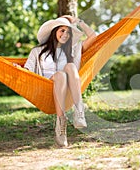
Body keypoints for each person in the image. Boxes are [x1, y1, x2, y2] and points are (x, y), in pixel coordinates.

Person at [21, 15, 96, 147]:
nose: (65, 34)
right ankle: (61, 122)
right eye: (62, 30)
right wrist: (16, 69)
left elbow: (93, 37)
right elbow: (27, 70)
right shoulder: (37, 51)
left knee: (71, 66)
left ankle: (79, 111)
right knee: (60, 75)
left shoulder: (73, 51)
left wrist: (78, 21)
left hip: (69, 88)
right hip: (47, 86)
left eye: (68, 32)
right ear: (54, 31)